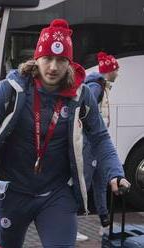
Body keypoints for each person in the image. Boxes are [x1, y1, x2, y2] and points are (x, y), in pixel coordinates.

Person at [0, 19, 130, 247]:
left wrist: (114, 171)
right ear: (37, 58)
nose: (53, 67)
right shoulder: (11, 89)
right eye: (47, 58)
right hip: (12, 192)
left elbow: (100, 137)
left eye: (61, 60)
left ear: (69, 62)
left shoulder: (81, 95)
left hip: (56, 194)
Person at [84, 51, 120, 236]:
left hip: (96, 142)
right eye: (116, 69)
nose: (118, 73)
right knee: (85, 181)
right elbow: (85, 111)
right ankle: (69, 222)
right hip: (91, 143)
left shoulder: (102, 87)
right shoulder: (96, 88)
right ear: (110, 70)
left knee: (100, 180)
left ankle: (104, 222)